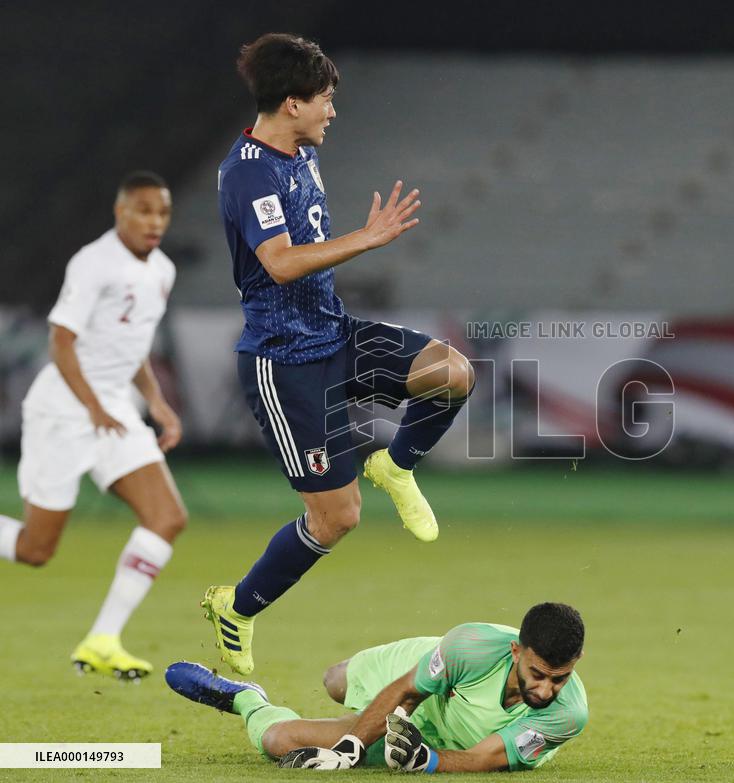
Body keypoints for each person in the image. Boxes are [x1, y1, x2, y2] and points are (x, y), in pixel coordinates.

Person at [205, 32, 474, 676]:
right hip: (283, 362)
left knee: (452, 374)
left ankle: (396, 466)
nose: (332, 111)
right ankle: (236, 607)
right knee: (336, 518)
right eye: (325, 99)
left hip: (336, 333)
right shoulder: (250, 172)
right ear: (292, 103)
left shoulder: (298, 152)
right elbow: (278, 264)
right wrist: (367, 238)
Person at [0, 171, 187, 680]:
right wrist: (93, 406)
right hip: (63, 410)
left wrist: (157, 404)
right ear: (120, 212)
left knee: (166, 517)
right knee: (36, 550)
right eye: (144, 210)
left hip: (114, 409)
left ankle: (104, 638)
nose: (155, 222)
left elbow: (134, 349)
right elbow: (61, 341)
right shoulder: (94, 263)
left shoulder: (162, 271)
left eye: (163, 212)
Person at [167, 603, 587, 772]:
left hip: (450, 739)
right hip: (429, 688)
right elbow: (407, 692)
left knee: (278, 739)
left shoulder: (568, 713)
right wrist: (348, 750)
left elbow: (485, 757)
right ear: (516, 650)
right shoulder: (471, 646)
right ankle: (355, 730)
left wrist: (424, 760)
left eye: (559, 677)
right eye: (538, 673)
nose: (547, 689)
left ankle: (245, 699)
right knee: (335, 680)